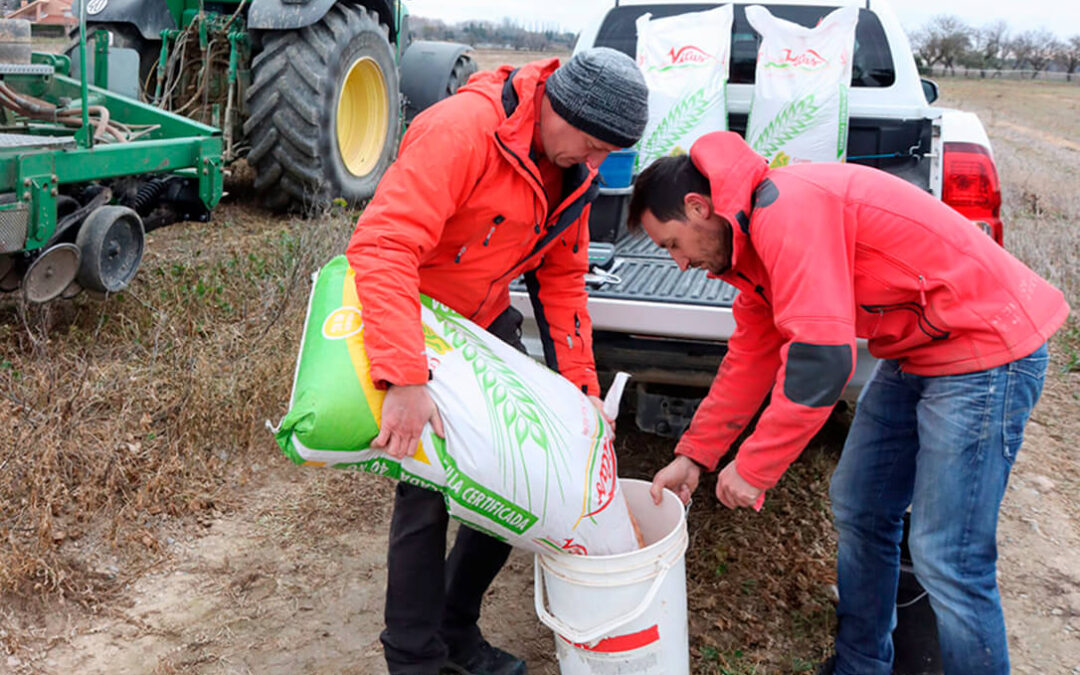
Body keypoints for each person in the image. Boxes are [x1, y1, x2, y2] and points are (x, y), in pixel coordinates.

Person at [634, 131, 1069, 675]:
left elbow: (821, 359)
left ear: (698, 208)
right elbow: (750, 358)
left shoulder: (785, 209)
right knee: (861, 506)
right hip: (921, 350)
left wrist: (756, 467)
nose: (677, 263)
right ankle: (861, 665)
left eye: (672, 243)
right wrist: (696, 455)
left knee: (948, 557)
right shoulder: (749, 250)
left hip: (985, 347)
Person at [344, 48, 648, 675]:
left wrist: (581, 391)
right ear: (558, 107)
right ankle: (414, 658)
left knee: (524, 473)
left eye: (604, 154)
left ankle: (456, 630)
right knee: (426, 492)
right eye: (590, 144)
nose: (593, 164)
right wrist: (404, 377)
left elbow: (561, 279)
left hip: (484, 322)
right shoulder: (461, 131)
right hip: (420, 320)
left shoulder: (577, 171)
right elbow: (383, 244)